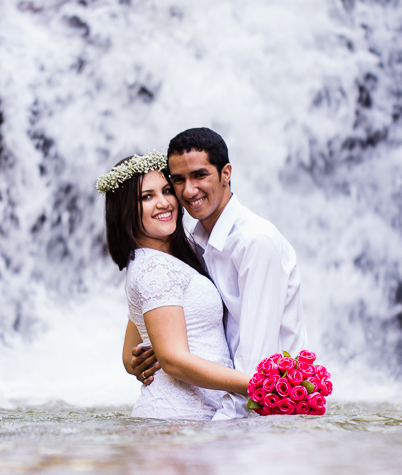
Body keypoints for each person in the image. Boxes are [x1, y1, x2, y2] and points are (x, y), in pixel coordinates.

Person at [129, 128, 306, 419]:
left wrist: (220, 436)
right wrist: (147, 354)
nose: (188, 191)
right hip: (224, 412)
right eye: (178, 180)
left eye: (200, 175)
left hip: (261, 418)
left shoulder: (254, 242)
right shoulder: (192, 242)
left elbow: (257, 366)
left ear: (225, 173)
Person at [99, 151, 251, 420]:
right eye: (147, 197)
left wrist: (139, 360)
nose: (163, 203)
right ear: (124, 209)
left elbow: (129, 353)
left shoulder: (165, 260)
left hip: (185, 419)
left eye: (167, 191)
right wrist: (256, 386)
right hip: (175, 421)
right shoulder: (155, 268)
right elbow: (173, 360)